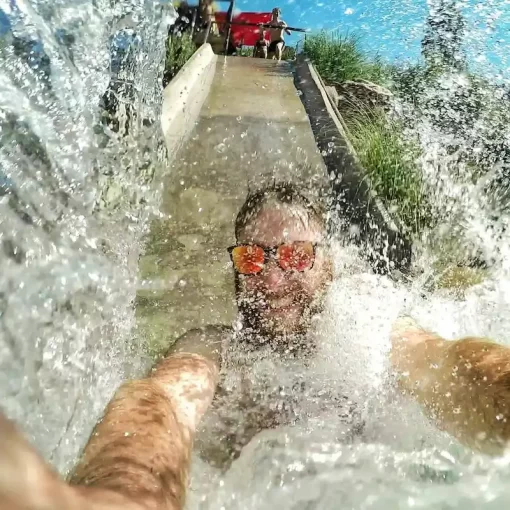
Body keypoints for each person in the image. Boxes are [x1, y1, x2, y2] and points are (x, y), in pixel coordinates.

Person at [3, 183, 510, 507]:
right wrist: (119, 493)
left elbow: (448, 363)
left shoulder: (370, 329)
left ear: (328, 264)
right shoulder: (215, 347)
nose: (270, 278)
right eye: (251, 258)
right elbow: (163, 402)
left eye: (294, 255)